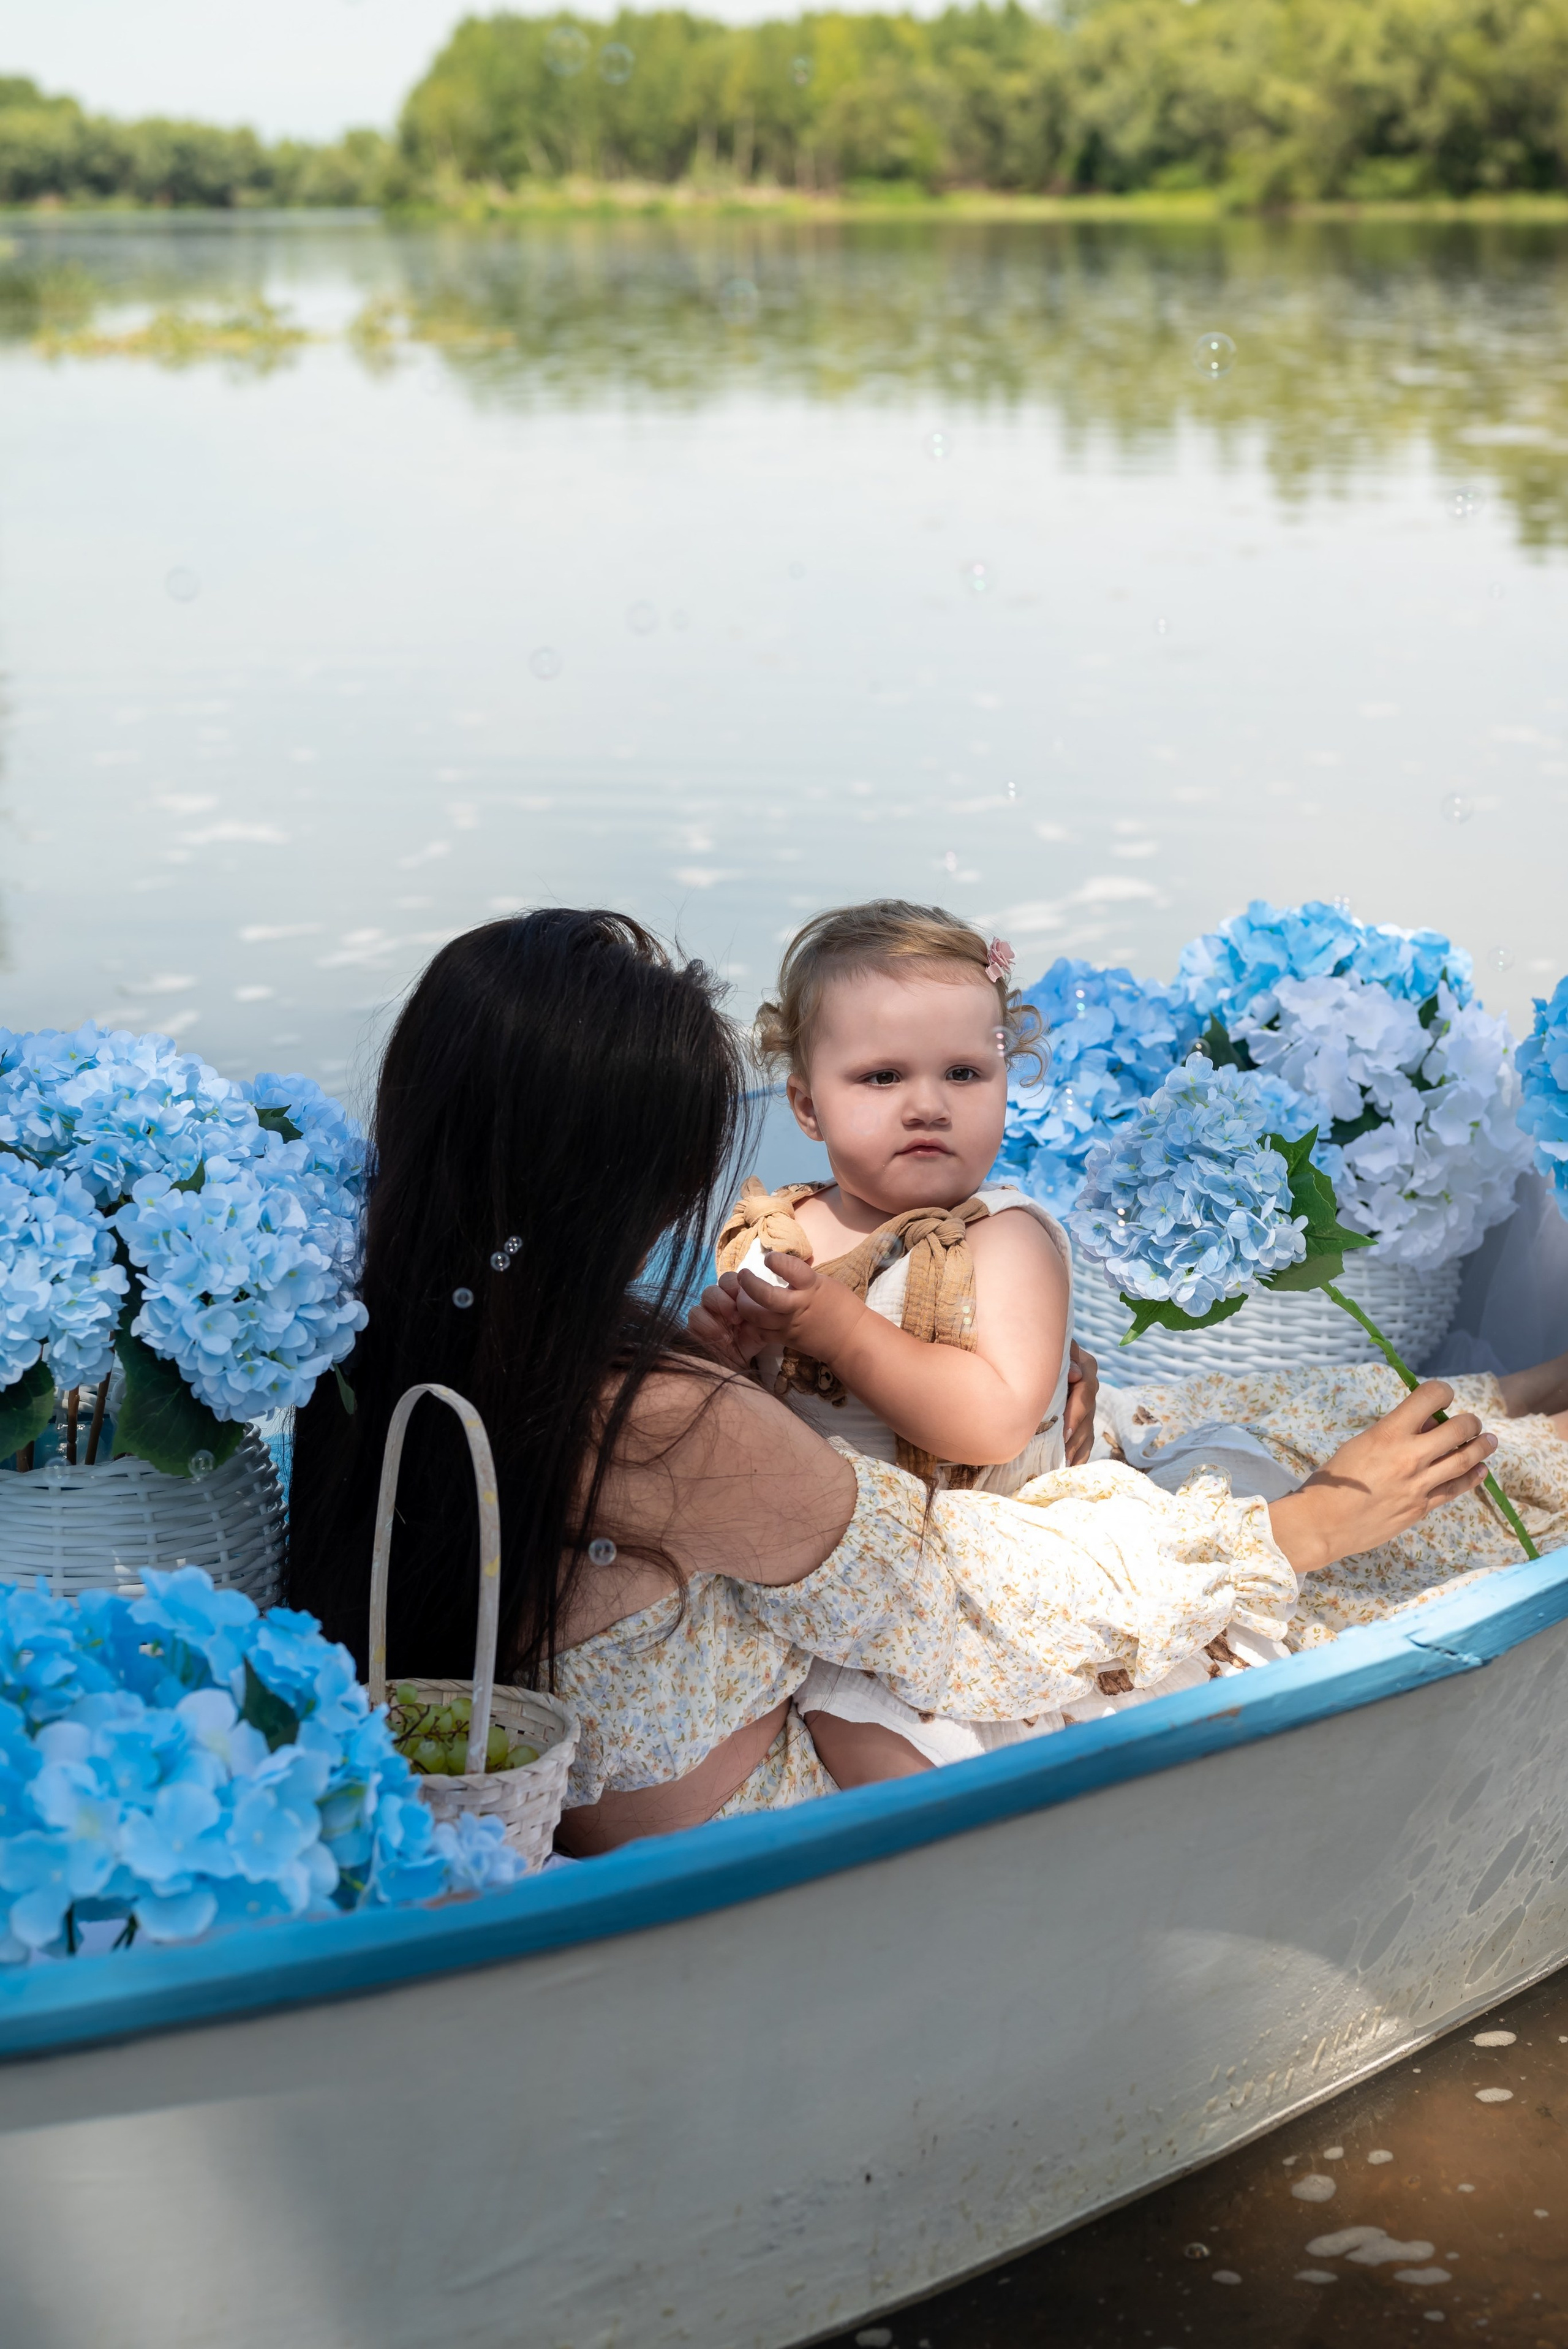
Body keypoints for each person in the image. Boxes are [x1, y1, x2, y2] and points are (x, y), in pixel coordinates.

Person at [286, 911, 1532, 1858]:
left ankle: (1520, 1387)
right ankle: (1496, 1421)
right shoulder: (661, 1424)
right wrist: (1294, 1535)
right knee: (1320, 1524)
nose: (920, 1107)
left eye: (960, 1074)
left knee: (1209, 1429)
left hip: (823, 1641)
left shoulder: (363, 1342)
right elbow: (954, 1602)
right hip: (819, 1810)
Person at [686, 899, 1286, 1785]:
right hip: (836, 1555)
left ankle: (964, 1845)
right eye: (882, 1077)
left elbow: (997, 1421)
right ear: (808, 1107)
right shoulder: (781, 1227)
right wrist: (725, 1353)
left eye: (964, 1073)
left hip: (981, 1557)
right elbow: (736, 1421)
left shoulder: (1004, 1239)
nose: (927, 1105)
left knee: (865, 1731)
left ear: (1010, 1079)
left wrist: (837, 1328)